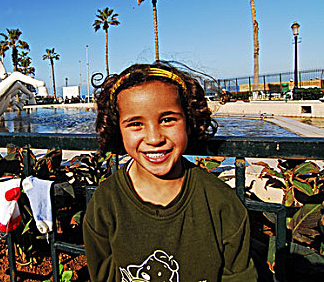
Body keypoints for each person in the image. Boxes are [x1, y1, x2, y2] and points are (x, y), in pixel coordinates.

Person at [83, 62, 257, 282]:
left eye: (167, 120)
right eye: (136, 124)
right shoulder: (105, 204)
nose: (154, 138)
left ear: (189, 120)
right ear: (118, 128)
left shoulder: (221, 203)